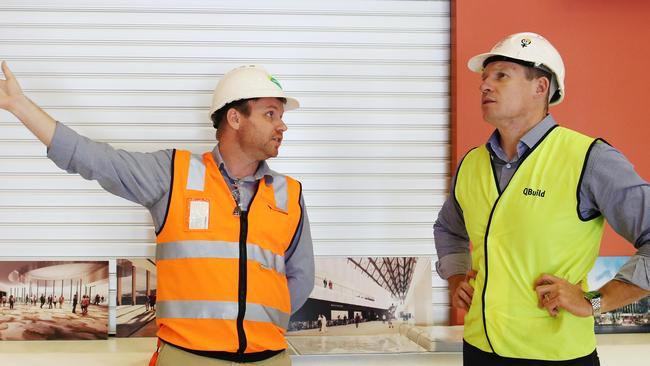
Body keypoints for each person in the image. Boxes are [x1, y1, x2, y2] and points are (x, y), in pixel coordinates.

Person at [0, 62, 314, 366]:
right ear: (234, 118)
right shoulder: (172, 174)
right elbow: (93, 159)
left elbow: (300, 278)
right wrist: (19, 105)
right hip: (188, 359)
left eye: (281, 116)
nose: (281, 125)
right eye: (270, 114)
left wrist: (261, 322)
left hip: (269, 359)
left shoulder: (290, 194)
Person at [434, 32, 650, 365]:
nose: (484, 86)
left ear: (541, 87)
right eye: (484, 78)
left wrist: (596, 301)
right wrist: (457, 276)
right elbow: (448, 230)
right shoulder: (471, 164)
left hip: (556, 356)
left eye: (501, 76)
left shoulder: (590, 159)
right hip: (479, 350)